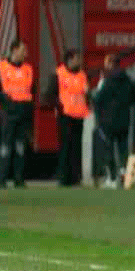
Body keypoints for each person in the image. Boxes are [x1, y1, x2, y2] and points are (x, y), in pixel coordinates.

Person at [92, 53, 135, 188]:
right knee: (123, 150)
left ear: (111, 64)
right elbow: (134, 96)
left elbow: (98, 99)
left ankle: (112, 178)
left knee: (109, 150)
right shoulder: (128, 80)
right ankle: (124, 175)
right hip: (124, 120)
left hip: (108, 122)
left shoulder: (108, 81)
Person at [0, 40, 34, 188]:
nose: (26, 53)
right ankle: (1, 178)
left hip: (22, 112)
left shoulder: (28, 69)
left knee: (20, 146)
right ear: (14, 50)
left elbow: (31, 90)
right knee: (5, 146)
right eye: (23, 50)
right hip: (8, 112)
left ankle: (19, 178)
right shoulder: (2, 67)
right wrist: (5, 103)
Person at [52, 49, 90, 187]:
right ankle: (63, 177)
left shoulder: (82, 75)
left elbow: (86, 93)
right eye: (77, 58)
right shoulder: (59, 73)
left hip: (79, 115)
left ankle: (75, 177)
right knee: (65, 147)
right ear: (70, 59)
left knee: (76, 147)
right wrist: (59, 107)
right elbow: (52, 93)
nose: (79, 61)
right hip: (65, 115)